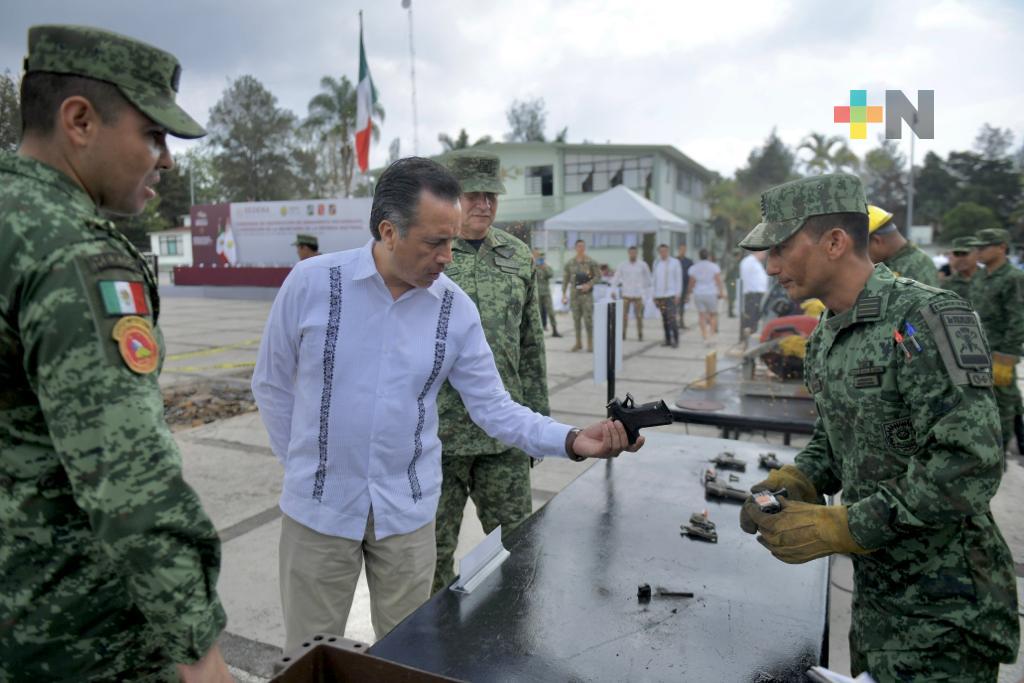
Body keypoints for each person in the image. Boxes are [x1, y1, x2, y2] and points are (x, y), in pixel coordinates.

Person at [252, 157, 643, 651]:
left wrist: (569, 438)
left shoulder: (454, 308)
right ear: (389, 231)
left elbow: (494, 407)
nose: (448, 257)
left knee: (408, 652)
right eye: (435, 243)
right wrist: (308, 467)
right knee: (311, 656)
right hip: (318, 516)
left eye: (452, 242)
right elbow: (271, 385)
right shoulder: (311, 284)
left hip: (407, 516)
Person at [0, 26, 231, 681]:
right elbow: (130, 482)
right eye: (154, 135)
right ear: (79, 120)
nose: (166, 160)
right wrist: (200, 647)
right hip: (79, 638)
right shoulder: (74, 255)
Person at [738, 173, 1018, 682]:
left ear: (836, 242)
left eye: (780, 247)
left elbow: (969, 466)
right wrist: (803, 477)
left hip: (946, 612)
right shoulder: (829, 332)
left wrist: (846, 525)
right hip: (876, 601)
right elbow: (837, 436)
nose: (771, 266)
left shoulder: (928, 317)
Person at [432, 151, 549, 594]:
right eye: (472, 195)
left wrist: (538, 422)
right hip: (439, 436)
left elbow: (531, 345)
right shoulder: (430, 255)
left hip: (504, 437)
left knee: (519, 546)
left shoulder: (518, 257)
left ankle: (515, 636)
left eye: (491, 195)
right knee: (431, 556)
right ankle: (430, 646)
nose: (484, 204)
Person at [970, 227, 1024, 454]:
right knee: (981, 400)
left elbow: (1018, 318)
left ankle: (1000, 451)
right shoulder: (981, 275)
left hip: (999, 351)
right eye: (978, 247)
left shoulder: (1013, 278)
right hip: (977, 348)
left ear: (1002, 247)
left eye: (985, 247)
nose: (979, 252)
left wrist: (1007, 358)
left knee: (1002, 400)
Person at [866, 205, 939, 286]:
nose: (862, 255)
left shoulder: (912, 268)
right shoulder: (904, 261)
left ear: (877, 241)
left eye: (861, 248)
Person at [561, 239, 601, 352]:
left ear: (585, 248)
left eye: (583, 246)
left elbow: (598, 276)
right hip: (574, 296)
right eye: (579, 246)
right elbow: (565, 279)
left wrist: (589, 284)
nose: (581, 248)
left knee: (588, 320)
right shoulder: (569, 263)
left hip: (587, 296)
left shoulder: (591, 262)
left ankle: (590, 344)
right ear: (575, 248)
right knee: (576, 320)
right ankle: (578, 343)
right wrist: (564, 294)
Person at [611, 245, 652, 340]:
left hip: (638, 294)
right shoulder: (623, 265)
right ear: (628, 253)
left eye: (634, 253)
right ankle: (623, 334)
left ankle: (640, 334)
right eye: (631, 253)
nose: (633, 254)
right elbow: (616, 278)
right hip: (626, 294)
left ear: (637, 253)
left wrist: (645, 291)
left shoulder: (643, 265)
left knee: (639, 316)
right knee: (624, 316)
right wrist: (613, 290)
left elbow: (648, 279)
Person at [685, 248, 724, 346]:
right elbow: (718, 280)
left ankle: (705, 337)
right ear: (708, 255)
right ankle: (712, 335)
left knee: (701, 316)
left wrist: (688, 293)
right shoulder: (714, 266)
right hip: (711, 293)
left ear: (699, 256)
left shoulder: (694, 267)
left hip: (699, 293)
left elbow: (691, 282)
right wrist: (721, 292)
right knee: (713, 315)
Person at [651, 244, 682, 347]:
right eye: (661, 251)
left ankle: (676, 340)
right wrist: (654, 295)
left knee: (672, 318)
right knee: (664, 319)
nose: (663, 253)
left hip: (671, 295)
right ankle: (668, 340)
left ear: (668, 251)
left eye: (665, 251)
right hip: (660, 296)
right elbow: (653, 280)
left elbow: (678, 279)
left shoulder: (675, 263)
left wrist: (678, 294)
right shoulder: (656, 263)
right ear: (659, 252)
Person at [738, 249, 769, 337]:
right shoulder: (749, 262)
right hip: (753, 293)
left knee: (755, 317)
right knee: (751, 317)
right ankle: (747, 336)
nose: (765, 255)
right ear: (758, 252)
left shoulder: (755, 262)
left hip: (757, 293)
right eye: (764, 253)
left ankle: (751, 334)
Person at [532, 249, 561, 337]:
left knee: (551, 312)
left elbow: (551, 274)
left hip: (546, 293)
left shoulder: (545, 266)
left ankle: (555, 330)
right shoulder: (531, 265)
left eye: (539, 254)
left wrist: (544, 267)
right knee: (537, 313)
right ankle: (538, 332)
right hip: (536, 293)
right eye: (536, 254)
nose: (538, 256)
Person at [943, 236, 980, 301]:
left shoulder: (990, 280)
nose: (960, 258)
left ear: (977, 254)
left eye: (965, 254)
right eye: (956, 254)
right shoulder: (946, 285)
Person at [676, 244, 693, 329]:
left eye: (684, 249)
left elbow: (691, 275)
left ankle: (681, 322)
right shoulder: (674, 261)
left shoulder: (689, 261)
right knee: (675, 306)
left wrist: (690, 289)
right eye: (681, 249)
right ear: (678, 250)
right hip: (675, 287)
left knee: (682, 305)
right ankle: (675, 323)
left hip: (685, 285)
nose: (683, 251)